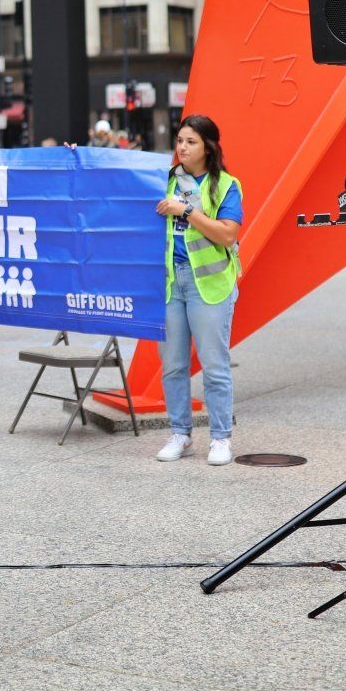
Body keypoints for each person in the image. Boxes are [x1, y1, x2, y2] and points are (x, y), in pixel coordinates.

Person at [153, 115, 243, 464]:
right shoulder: (165, 180)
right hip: (170, 283)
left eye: (190, 142)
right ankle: (180, 434)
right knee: (173, 365)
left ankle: (220, 438)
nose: (182, 148)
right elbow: (116, 187)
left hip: (209, 285)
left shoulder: (226, 185)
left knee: (214, 365)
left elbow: (227, 234)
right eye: (179, 140)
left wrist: (186, 210)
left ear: (208, 146)